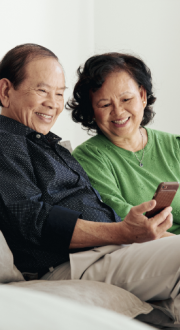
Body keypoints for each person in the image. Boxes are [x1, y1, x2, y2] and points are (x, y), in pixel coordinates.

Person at [0, 45, 180, 315]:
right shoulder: (6, 143)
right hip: (72, 262)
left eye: (59, 93)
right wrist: (122, 233)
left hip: (106, 252)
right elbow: (32, 219)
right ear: (5, 91)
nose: (53, 103)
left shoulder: (45, 144)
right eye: (42, 90)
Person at [68, 53, 180, 235]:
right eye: (105, 105)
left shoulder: (175, 145)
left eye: (126, 99)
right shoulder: (88, 157)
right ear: (92, 110)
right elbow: (127, 222)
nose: (118, 112)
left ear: (142, 95)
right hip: (149, 250)